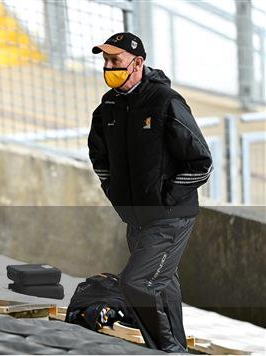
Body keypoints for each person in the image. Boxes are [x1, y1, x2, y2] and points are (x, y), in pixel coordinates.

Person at [87, 32, 213, 353]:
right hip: (136, 217)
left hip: (170, 217)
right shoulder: (109, 107)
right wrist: (115, 193)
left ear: (137, 63)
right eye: (105, 61)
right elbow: (100, 157)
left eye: (115, 61)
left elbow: (201, 161)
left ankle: (169, 351)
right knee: (163, 286)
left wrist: (166, 198)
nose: (108, 67)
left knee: (138, 284)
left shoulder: (165, 102)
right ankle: (174, 348)